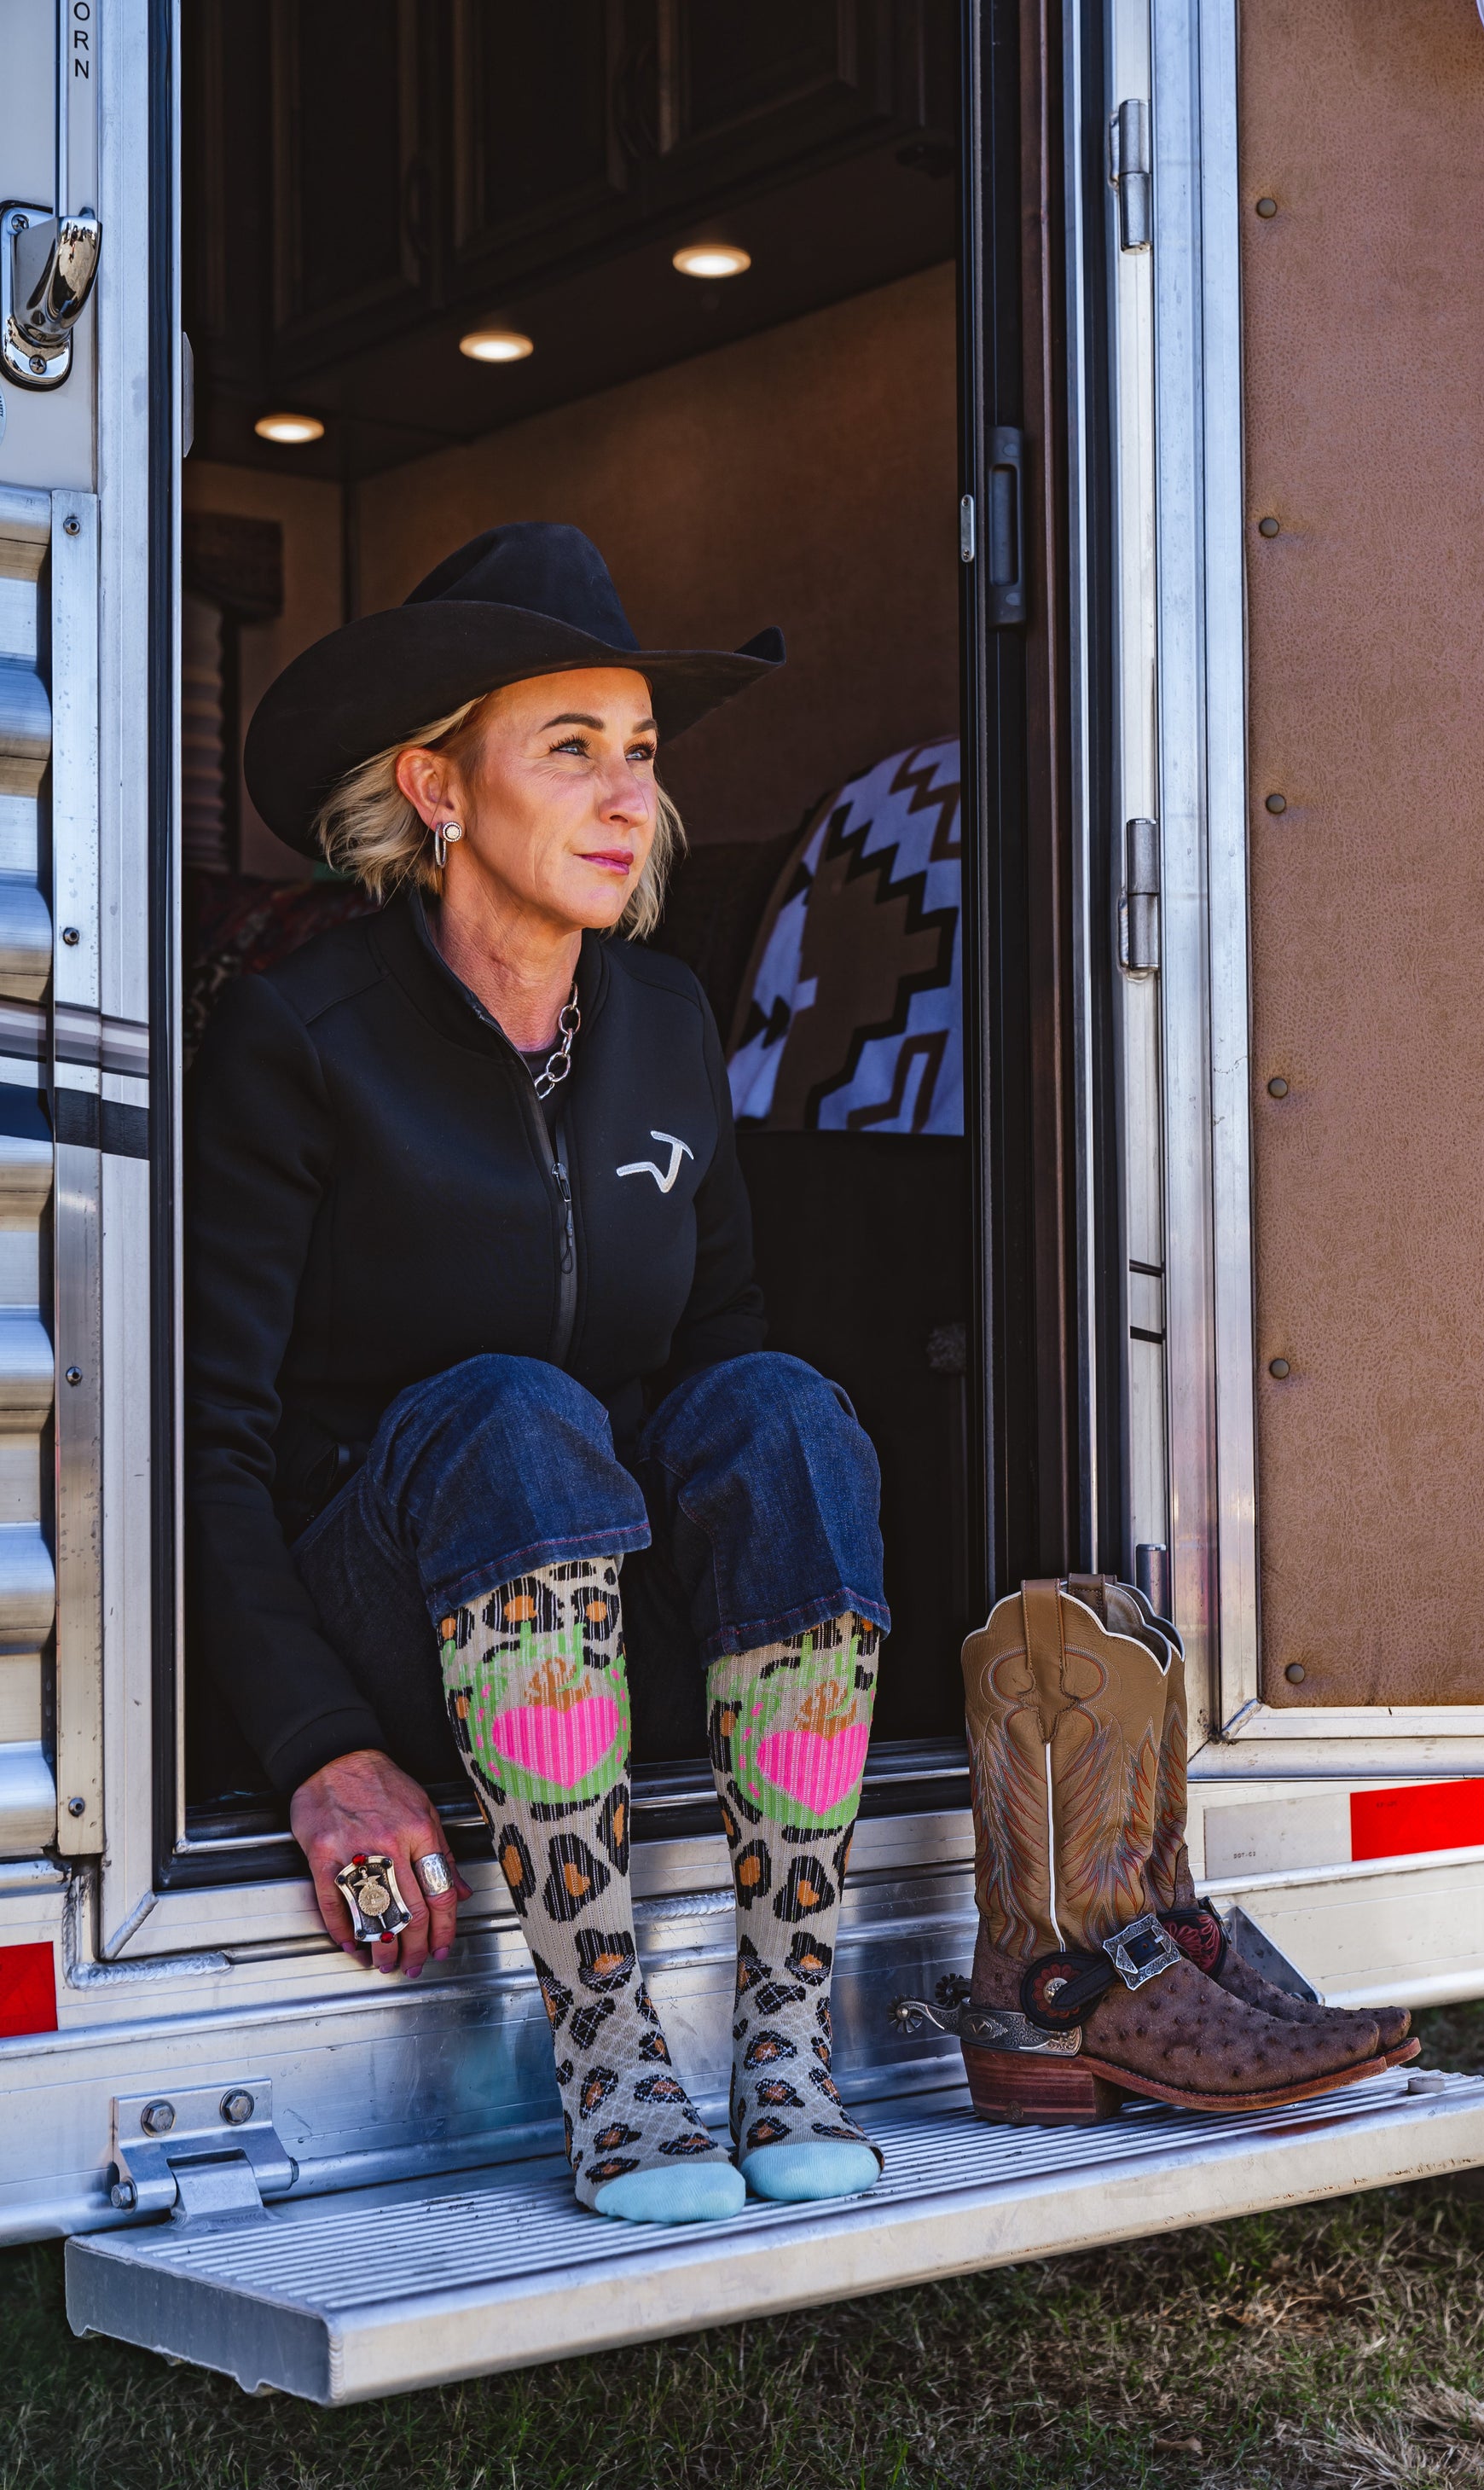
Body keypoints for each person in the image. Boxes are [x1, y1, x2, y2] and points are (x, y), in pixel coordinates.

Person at [187, 524, 889, 2228]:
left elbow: (719, 1356)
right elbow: (204, 1442)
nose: (627, 795)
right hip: (398, 1601)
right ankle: (608, 2052)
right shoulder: (300, 1036)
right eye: (568, 748)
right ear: (436, 786)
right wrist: (317, 1746)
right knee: (510, 1408)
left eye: (638, 751)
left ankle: (785, 2032)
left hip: (607, 1627)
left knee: (785, 1408)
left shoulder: (665, 1022)